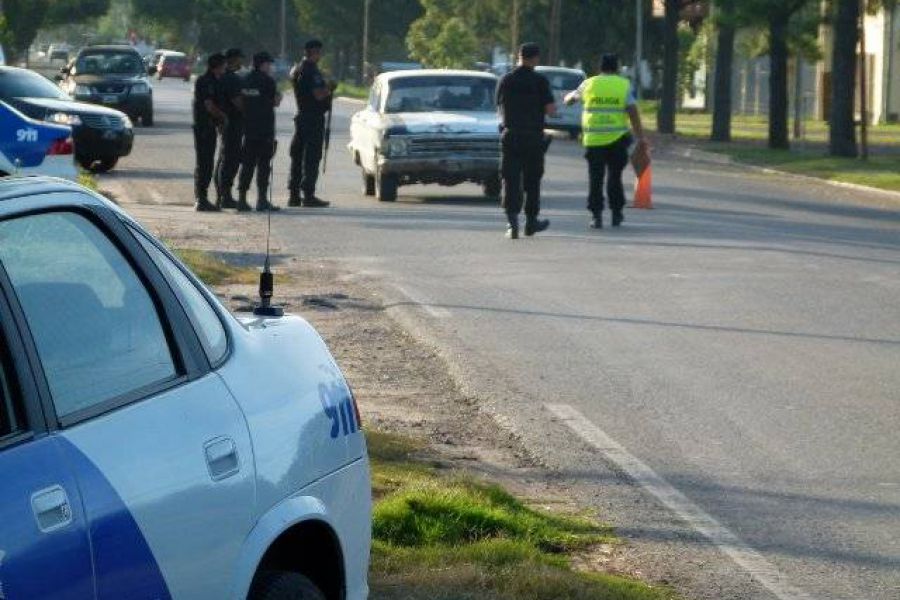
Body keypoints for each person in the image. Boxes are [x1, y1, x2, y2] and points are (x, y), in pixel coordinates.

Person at [565, 53, 646, 228]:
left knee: (596, 178)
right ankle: (617, 213)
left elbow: (570, 100)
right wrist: (640, 137)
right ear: (616, 67)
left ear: (600, 67)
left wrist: (569, 98)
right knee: (615, 177)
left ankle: (596, 216)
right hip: (617, 139)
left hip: (594, 141)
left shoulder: (589, 83)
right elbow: (633, 111)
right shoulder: (623, 85)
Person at [495, 42, 556, 239]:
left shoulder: (506, 80)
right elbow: (550, 110)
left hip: (511, 135)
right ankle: (531, 222)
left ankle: (512, 224)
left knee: (510, 179)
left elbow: (498, 106)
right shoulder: (540, 81)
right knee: (532, 181)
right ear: (535, 58)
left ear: (519, 57)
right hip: (533, 137)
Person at [287, 39, 334, 207]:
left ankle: (293, 194)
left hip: (302, 116)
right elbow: (318, 94)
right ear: (314, 52)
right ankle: (308, 195)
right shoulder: (311, 71)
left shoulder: (296, 69)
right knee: (312, 157)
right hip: (313, 118)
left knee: (297, 156)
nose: (320, 56)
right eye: (319, 52)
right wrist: (329, 87)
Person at [236, 51, 282, 212]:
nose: (270, 67)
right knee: (263, 165)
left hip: (248, 128)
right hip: (264, 129)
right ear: (263, 64)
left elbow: (240, 102)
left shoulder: (245, 80)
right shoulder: (268, 81)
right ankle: (261, 200)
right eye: (269, 64)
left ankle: (241, 199)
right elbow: (275, 102)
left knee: (247, 164)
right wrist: (279, 95)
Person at [192, 53, 227, 212]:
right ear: (218, 66)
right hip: (203, 127)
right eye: (223, 65)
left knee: (207, 162)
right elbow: (209, 105)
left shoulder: (215, 81)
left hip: (209, 126)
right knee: (204, 163)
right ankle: (201, 198)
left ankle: (202, 197)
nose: (225, 68)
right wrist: (223, 117)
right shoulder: (206, 81)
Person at [214, 48, 245, 209]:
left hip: (224, 122)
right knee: (230, 160)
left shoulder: (221, 77)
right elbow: (238, 102)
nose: (242, 62)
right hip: (232, 122)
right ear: (233, 59)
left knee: (223, 158)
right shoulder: (232, 79)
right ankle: (225, 196)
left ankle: (222, 195)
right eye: (240, 59)